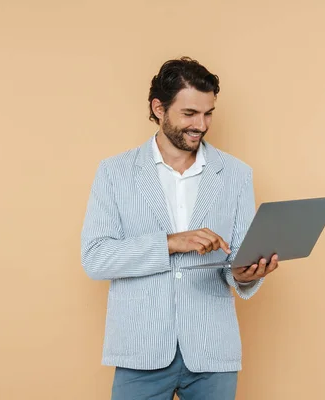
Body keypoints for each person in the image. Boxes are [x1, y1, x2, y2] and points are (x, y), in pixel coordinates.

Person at [80, 56, 279, 399]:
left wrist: (247, 274)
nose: (201, 124)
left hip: (212, 352)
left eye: (208, 113)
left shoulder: (235, 174)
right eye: (190, 114)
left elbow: (237, 263)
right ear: (159, 108)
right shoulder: (115, 172)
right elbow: (96, 258)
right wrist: (171, 242)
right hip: (139, 352)